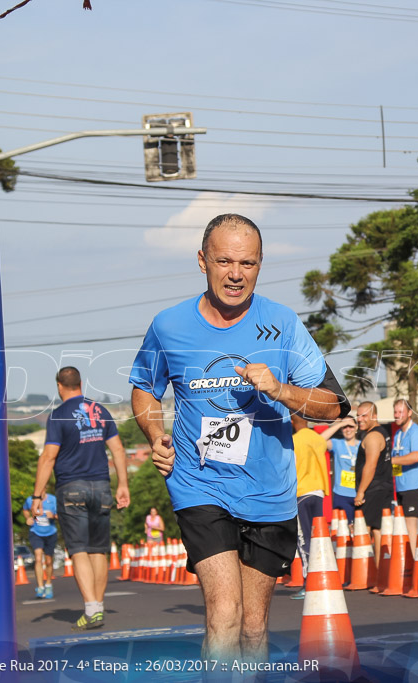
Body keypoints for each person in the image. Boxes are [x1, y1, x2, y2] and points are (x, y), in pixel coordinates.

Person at [128, 214, 349, 663]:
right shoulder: (169, 325)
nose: (235, 274)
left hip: (270, 490)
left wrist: (281, 390)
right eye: (224, 260)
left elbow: (333, 404)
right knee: (225, 614)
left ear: (260, 265)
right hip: (199, 483)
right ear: (202, 261)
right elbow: (144, 388)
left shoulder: (283, 324)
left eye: (246, 263)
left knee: (252, 628)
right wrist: (155, 433)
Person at [32, 366, 130, 631]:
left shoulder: (58, 416)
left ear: (59, 386)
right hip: (101, 487)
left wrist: (37, 495)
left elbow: (48, 457)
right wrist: (123, 484)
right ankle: (97, 605)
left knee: (78, 550)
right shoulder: (101, 411)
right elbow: (118, 450)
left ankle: (91, 609)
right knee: (99, 550)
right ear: (80, 384)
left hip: (71, 488)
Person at [291, 414, 332, 600]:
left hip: (301, 492)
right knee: (318, 538)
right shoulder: (317, 439)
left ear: (292, 422)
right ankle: (323, 577)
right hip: (318, 491)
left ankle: (309, 582)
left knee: (304, 538)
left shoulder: (292, 441)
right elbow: (325, 441)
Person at [353, 401, 393, 565]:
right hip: (382, 488)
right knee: (378, 530)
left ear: (374, 416)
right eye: (358, 415)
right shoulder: (381, 433)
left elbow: (371, 465)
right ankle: (379, 570)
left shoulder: (373, 437)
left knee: (365, 529)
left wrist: (361, 491)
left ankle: (366, 572)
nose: (359, 419)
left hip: (373, 489)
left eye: (364, 416)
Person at [390, 398, 418, 558]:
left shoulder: (416, 431)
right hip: (401, 486)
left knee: (412, 526)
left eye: (401, 412)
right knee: (404, 527)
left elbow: (416, 456)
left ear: (410, 413)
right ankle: (411, 560)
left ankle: (416, 561)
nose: (397, 415)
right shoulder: (398, 433)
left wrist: (390, 462)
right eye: (395, 412)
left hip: (413, 487)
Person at [322, 416, 360, 524]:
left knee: (360, 530)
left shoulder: (363, 444)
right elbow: (321, 438)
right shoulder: (337, 444)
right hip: (341, 494)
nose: (348, 429)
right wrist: (339, 424)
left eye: (351, 426)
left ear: (356, 427)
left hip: (359, 494)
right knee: (343, 531)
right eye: (345, 427)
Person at [23, 491, 58, 599]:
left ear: (45, 490)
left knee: (48, 561)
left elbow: (60, 514)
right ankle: (40, 586)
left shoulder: (53, 500)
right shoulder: (30, 500)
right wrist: (28, 518)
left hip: (50, 532)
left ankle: (48, 584)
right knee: (38, 558)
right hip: (35, 532)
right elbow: (25, 510)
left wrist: (53, 516)